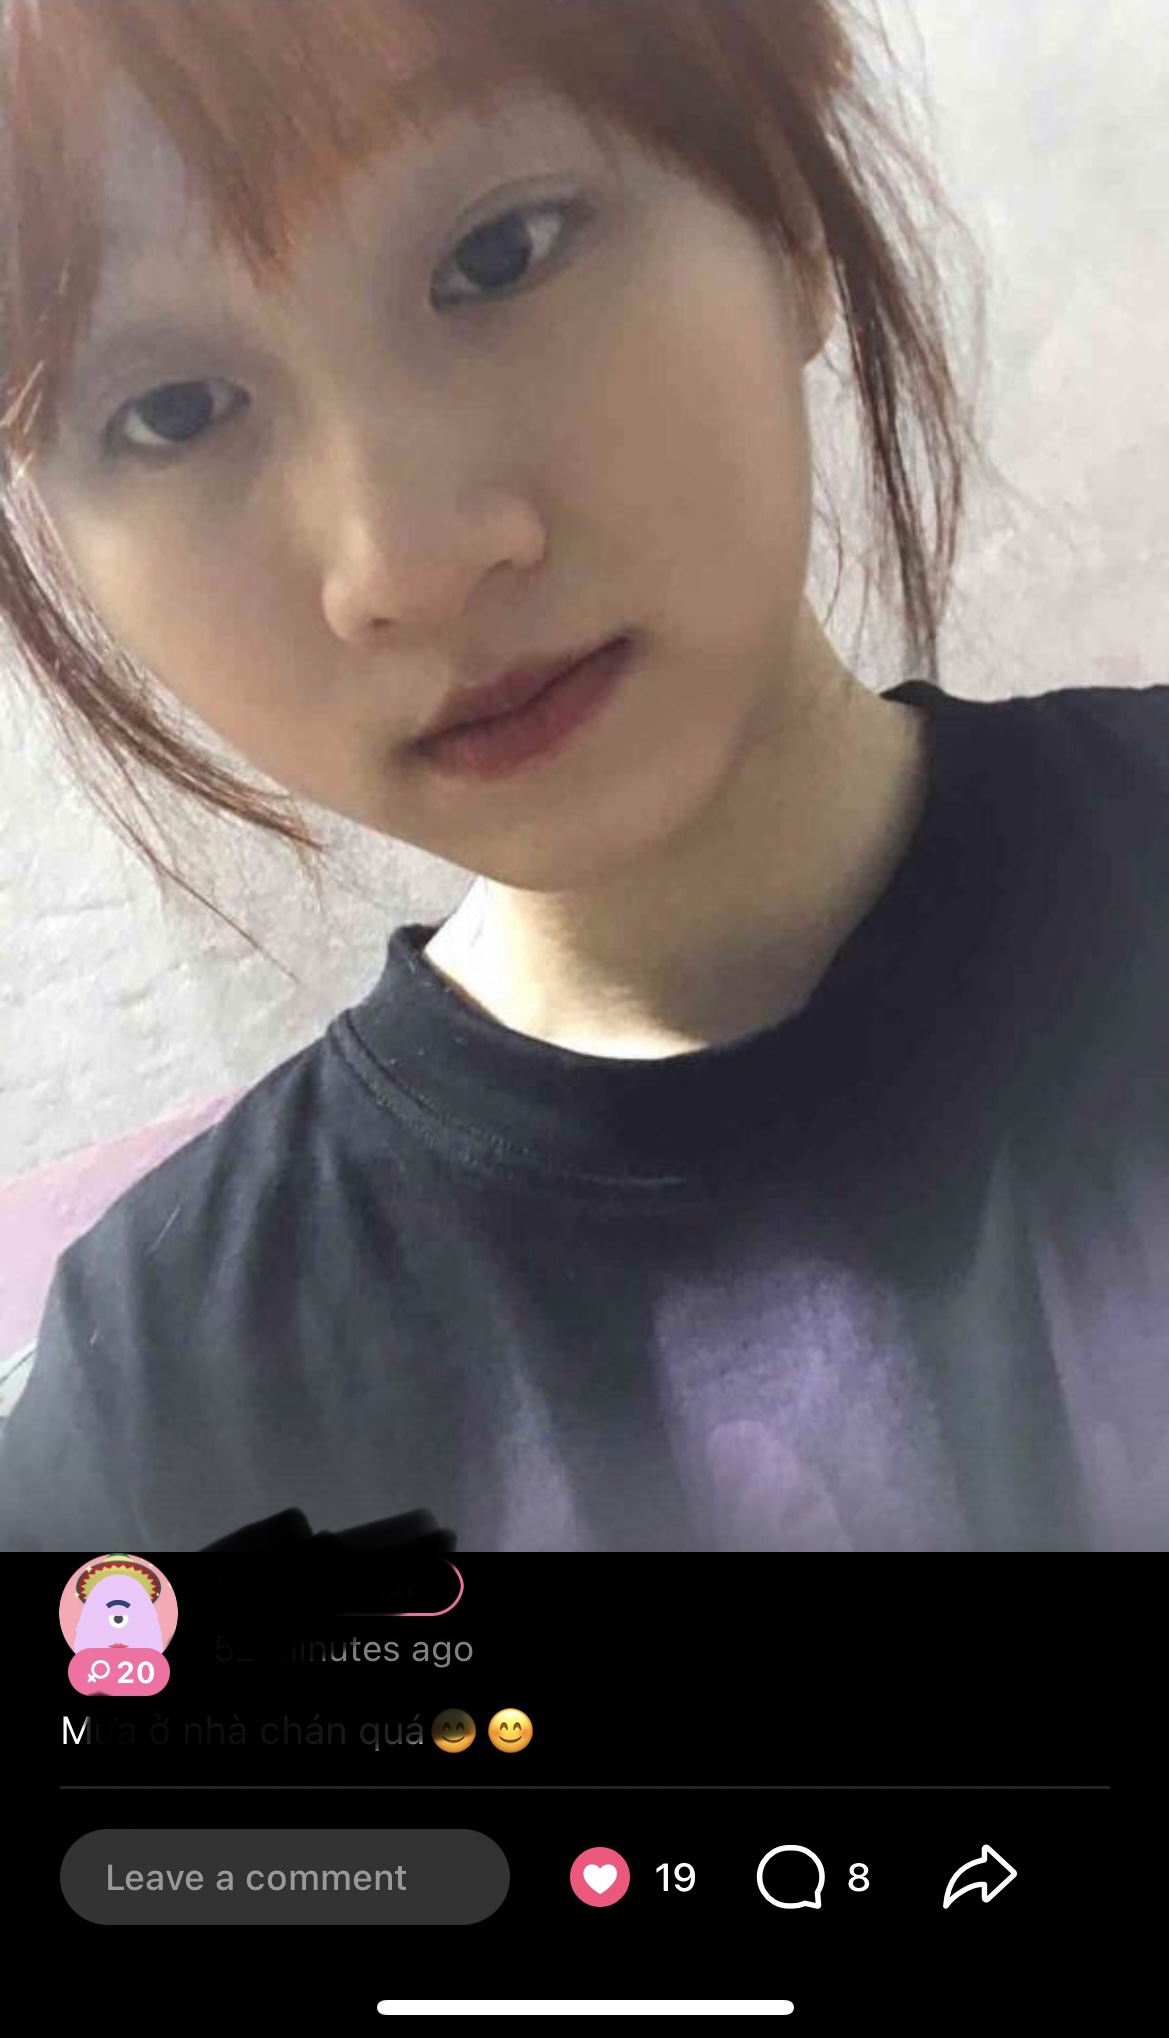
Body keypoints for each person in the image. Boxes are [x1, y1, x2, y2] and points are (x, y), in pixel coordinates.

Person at [0, 1, 1165, 1552]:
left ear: (786, 213)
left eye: (499, 253)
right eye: (172, 412)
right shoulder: (165, 1412)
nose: (405, 562)